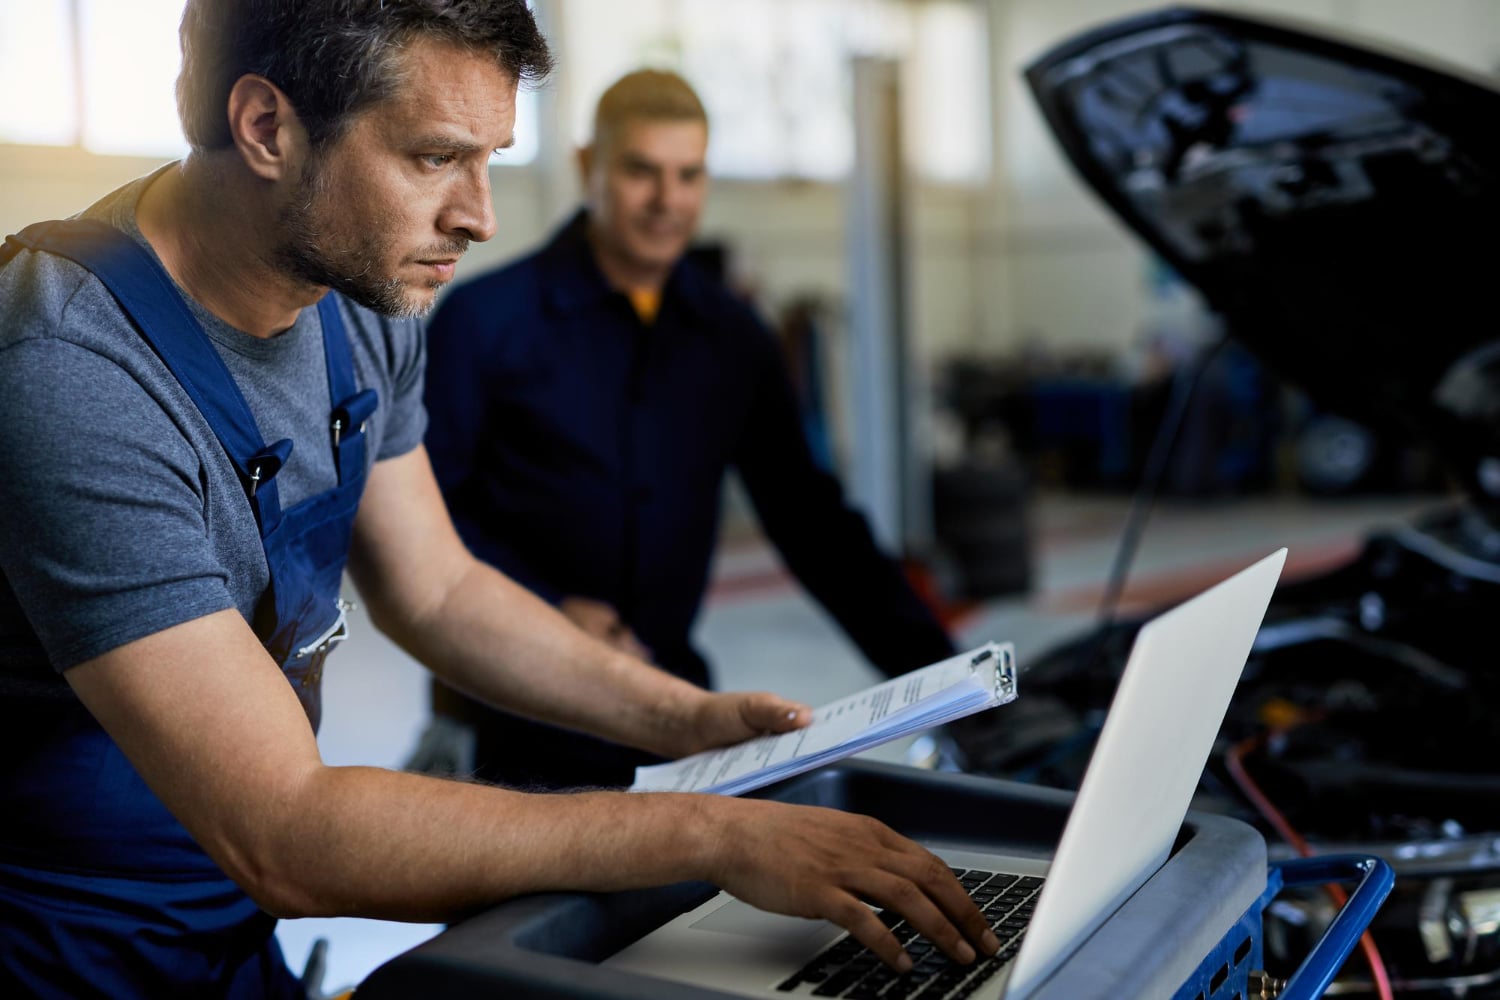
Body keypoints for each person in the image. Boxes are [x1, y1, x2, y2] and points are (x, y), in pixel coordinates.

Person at [0, 4, 996, 997]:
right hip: (58, 936)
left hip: (217, 918)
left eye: (490, 159)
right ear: (267, 127)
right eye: (435, 157)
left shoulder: (356, 299)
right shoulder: (68, 370)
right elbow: (286, 831)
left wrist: (689, 724)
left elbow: (438, 590)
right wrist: (707, 832)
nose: (479, 215)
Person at [422, 69, 956, 790]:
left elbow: (813, 523)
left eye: (689, 175)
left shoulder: (733, 338)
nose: (667, 201)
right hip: (514, 722)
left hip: (675, 723)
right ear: (589, 167)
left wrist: (951, 683)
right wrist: (546, 612)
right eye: (642, 171)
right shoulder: (485, 323)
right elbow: (429, 519)